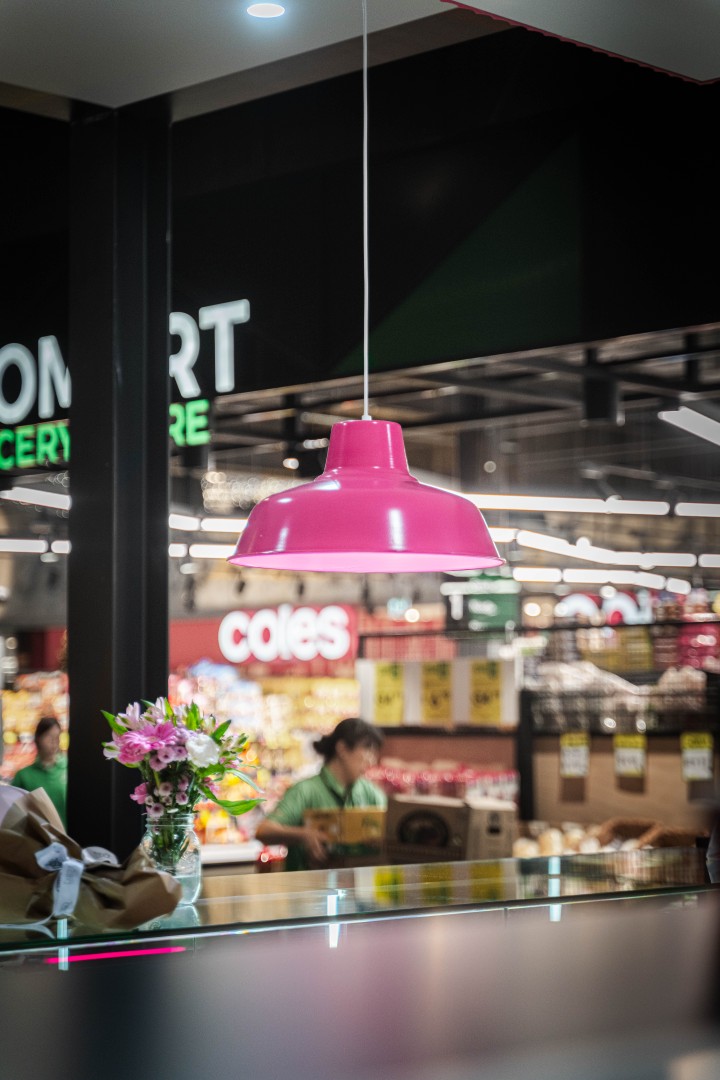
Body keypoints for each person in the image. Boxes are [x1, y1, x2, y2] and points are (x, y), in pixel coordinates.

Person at [255, 717, 386, 871]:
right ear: (342, 749)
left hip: (360, 884)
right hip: (308, 884)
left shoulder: (372, 794)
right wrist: (303, 835)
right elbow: (264, 831)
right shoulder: (305, 791)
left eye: (374, 753)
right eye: (367, 750)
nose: (371, 761)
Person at [11, 715, 67, 827]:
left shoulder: (67, 770)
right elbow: (13, 814)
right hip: (36, 836)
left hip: (67, 835)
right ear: (38, 738)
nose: (54, 742)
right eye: (49, 736)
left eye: (57, 737)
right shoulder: (23, 776)